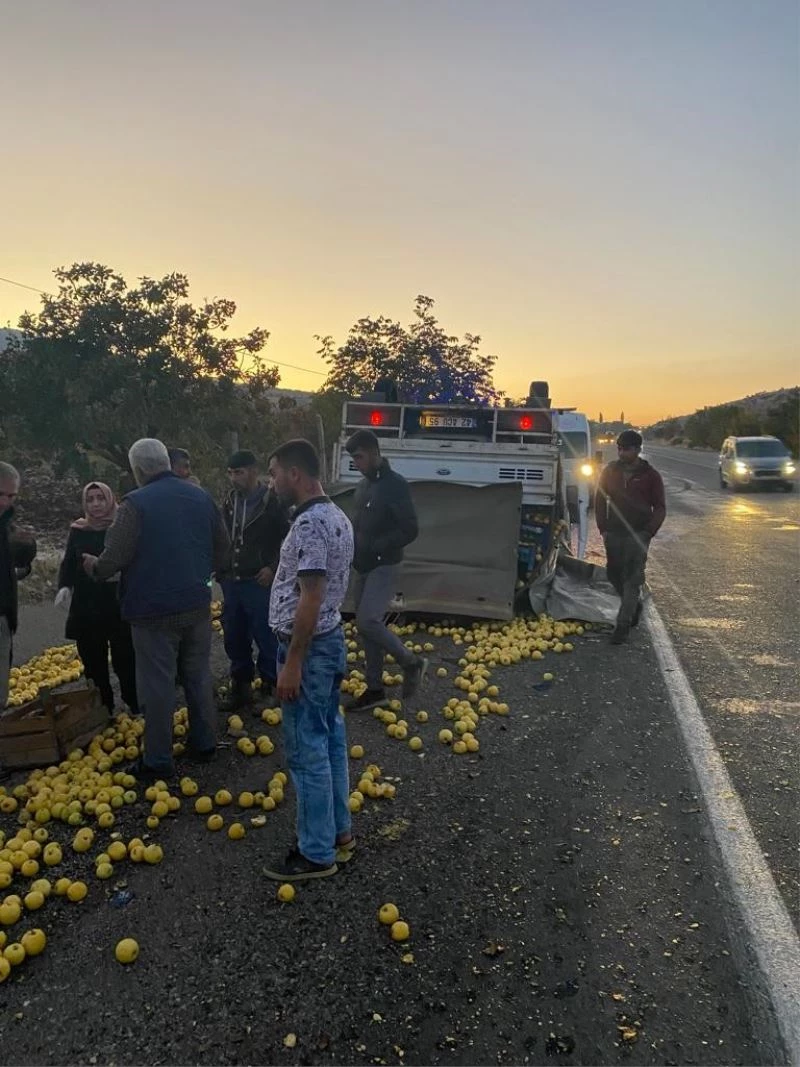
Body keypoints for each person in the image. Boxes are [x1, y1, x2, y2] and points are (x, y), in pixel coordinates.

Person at [82, 439, 230, 782]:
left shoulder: (135, 505)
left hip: (152, 613)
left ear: (138, 470)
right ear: (166, 462)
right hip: (196, 603)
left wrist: (94, 566)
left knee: (158, 685)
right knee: (197, 674)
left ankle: (159, 759)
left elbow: (113, 559)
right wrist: (204, 574)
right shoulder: (201, 496)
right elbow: (223, 551)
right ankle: (205, 742)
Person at [263, 438, 354, 882]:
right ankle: (340, 835)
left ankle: (315, 852)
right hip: (329, 642)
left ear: (295, 474)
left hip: (311, 648)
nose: (272, 481)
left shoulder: (310, 524)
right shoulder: (336, 515)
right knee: (330, 739)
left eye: (275, 472)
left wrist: (292, 662)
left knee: (306, 750)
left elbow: (312, 595)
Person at [344, 429, 426, 710]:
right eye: (353, 458)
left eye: (360, 457)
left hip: (384, 563)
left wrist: (379, 546)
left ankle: (411, 662)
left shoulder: (395, 485)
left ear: (375, 453)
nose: (357, 463)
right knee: (366, 628)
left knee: (368, 620)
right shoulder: (364, 485)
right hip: (362, 564)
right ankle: (375, 689)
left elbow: (410, 528)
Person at [55, 482, 138, 715]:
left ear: (110, 499)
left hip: (118, 603)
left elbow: (133, 558)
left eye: (100, 498)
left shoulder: (122, 526)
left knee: (126, 659)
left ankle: (134, 703)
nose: (95, 504)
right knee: (93, 662)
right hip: (87, 605)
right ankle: (104, 708)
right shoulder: (79, 529)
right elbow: (69, 561)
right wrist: (65, 586)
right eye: (90, 499)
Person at [220, 450, 289, 709]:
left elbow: (288, 538)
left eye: (238, 472)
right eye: (230, 473)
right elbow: (222, 534)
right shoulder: (229, 500)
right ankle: (241, 684)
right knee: (233, 632)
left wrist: (273, 567)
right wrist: (220, 565)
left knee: (265, 633)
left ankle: (271, 684)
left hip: (259, 579)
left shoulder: (272, 501)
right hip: (232, 578)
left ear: (252, 471)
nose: (233, 478)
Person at [596, 430, 666, 644]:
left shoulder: (651, 476)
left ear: (637, 450)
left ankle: (623, 625)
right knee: (613, 574)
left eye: (626, 448)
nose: (621, 452)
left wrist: (648, 532)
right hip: (614, 533)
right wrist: (604, 529)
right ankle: (634, 606)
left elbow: (660, 507)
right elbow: (600, 499)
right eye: (619, 448)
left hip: (638, 534)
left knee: (633, 578)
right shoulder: (610, 471)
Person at [0, 462, 37, 712]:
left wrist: (22, 565)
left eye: (11, 496)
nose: (5, 502)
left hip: (4, 617)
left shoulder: (7, 525)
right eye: (0, 494)